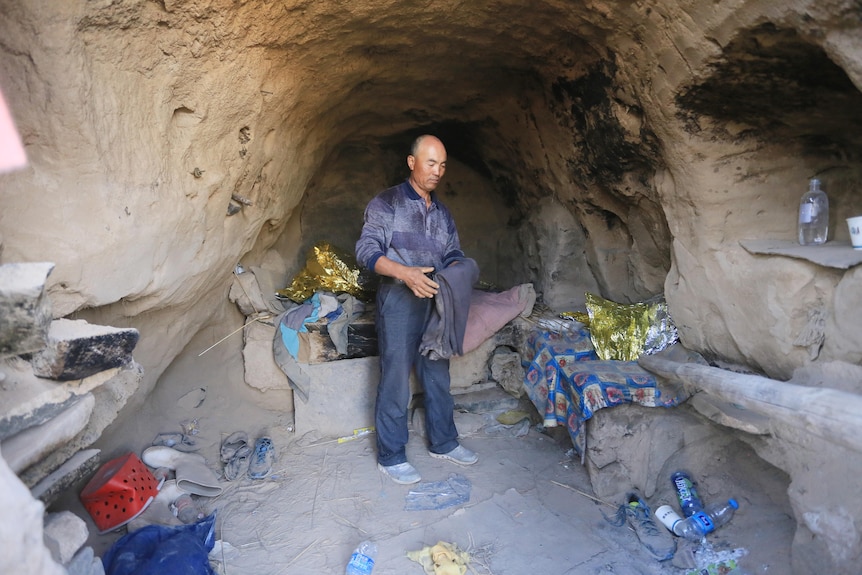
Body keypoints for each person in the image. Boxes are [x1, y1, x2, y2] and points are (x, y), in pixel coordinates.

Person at [355, 134, 478, 485]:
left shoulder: (442, 213)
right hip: (398, 300)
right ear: (412, 163)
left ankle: (444, 442)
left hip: (436, 299)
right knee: (395, 376)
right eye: (430, 163)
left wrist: (459, 269)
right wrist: (404, 273)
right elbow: (366, 250)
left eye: (442, 165)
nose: (437, 171)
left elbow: (452, 251)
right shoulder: (387, 203)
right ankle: (392, 455)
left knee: (437, 372)